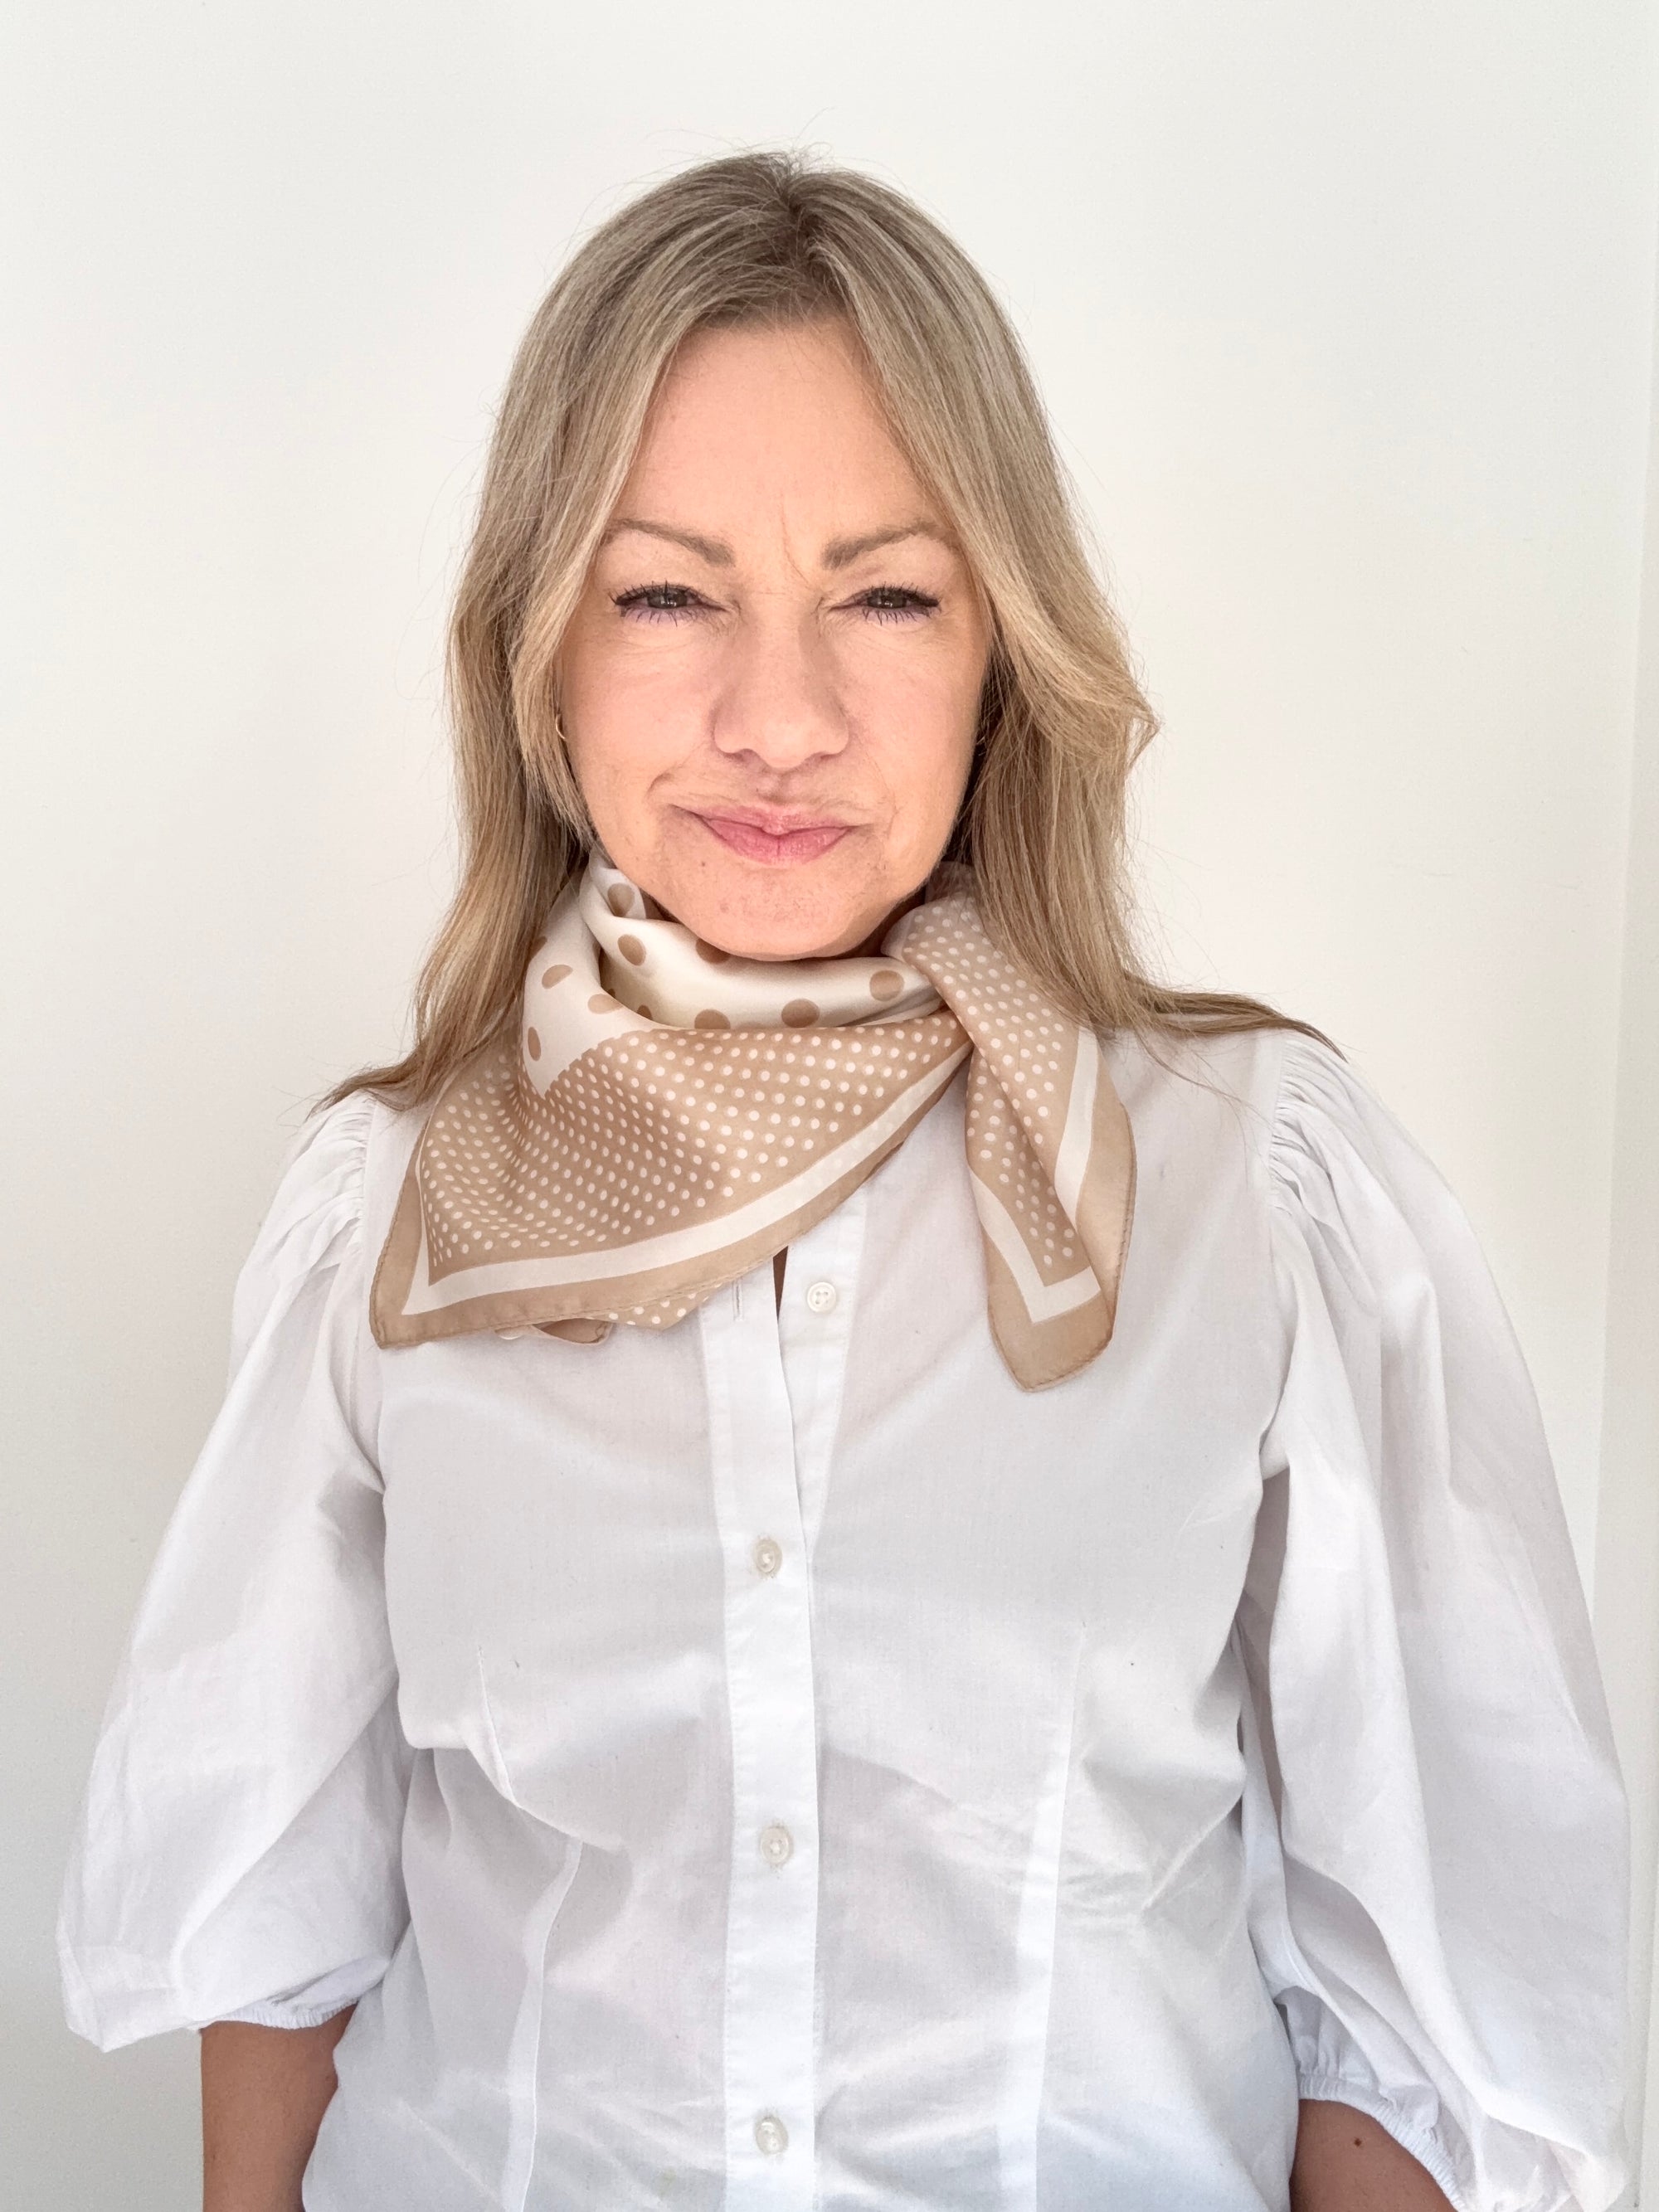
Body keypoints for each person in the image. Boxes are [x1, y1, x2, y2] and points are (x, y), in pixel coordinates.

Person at [59, 149, 1629, 2212]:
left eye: (884, 592)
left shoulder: (1264, 1193)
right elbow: (270, 1919)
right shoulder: (391, 1214)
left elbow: (1438, 1998)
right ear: (541, 660)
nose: (773, 714)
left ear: (1005, 649)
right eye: (664, 590)